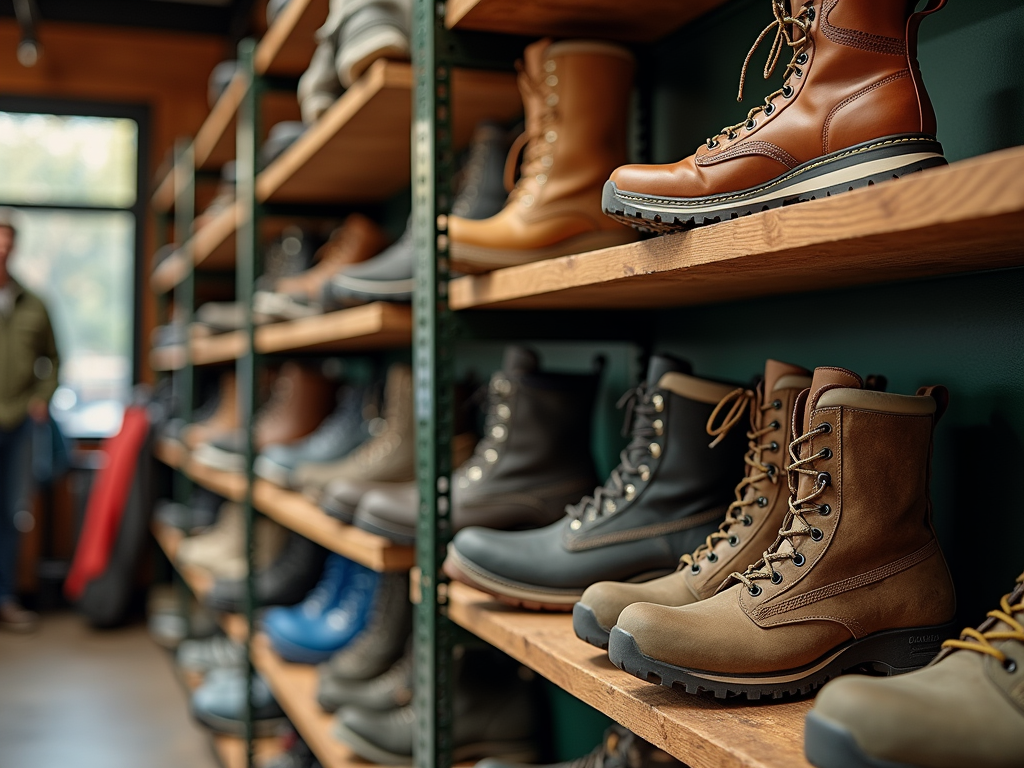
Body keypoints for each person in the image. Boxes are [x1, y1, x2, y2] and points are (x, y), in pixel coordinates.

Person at [0, 208, 60, 632]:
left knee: (11, 514)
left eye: (7, 239)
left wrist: (42, 398)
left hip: (18, 423)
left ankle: (5, 598)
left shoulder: (34, 303)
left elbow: (53, 360)